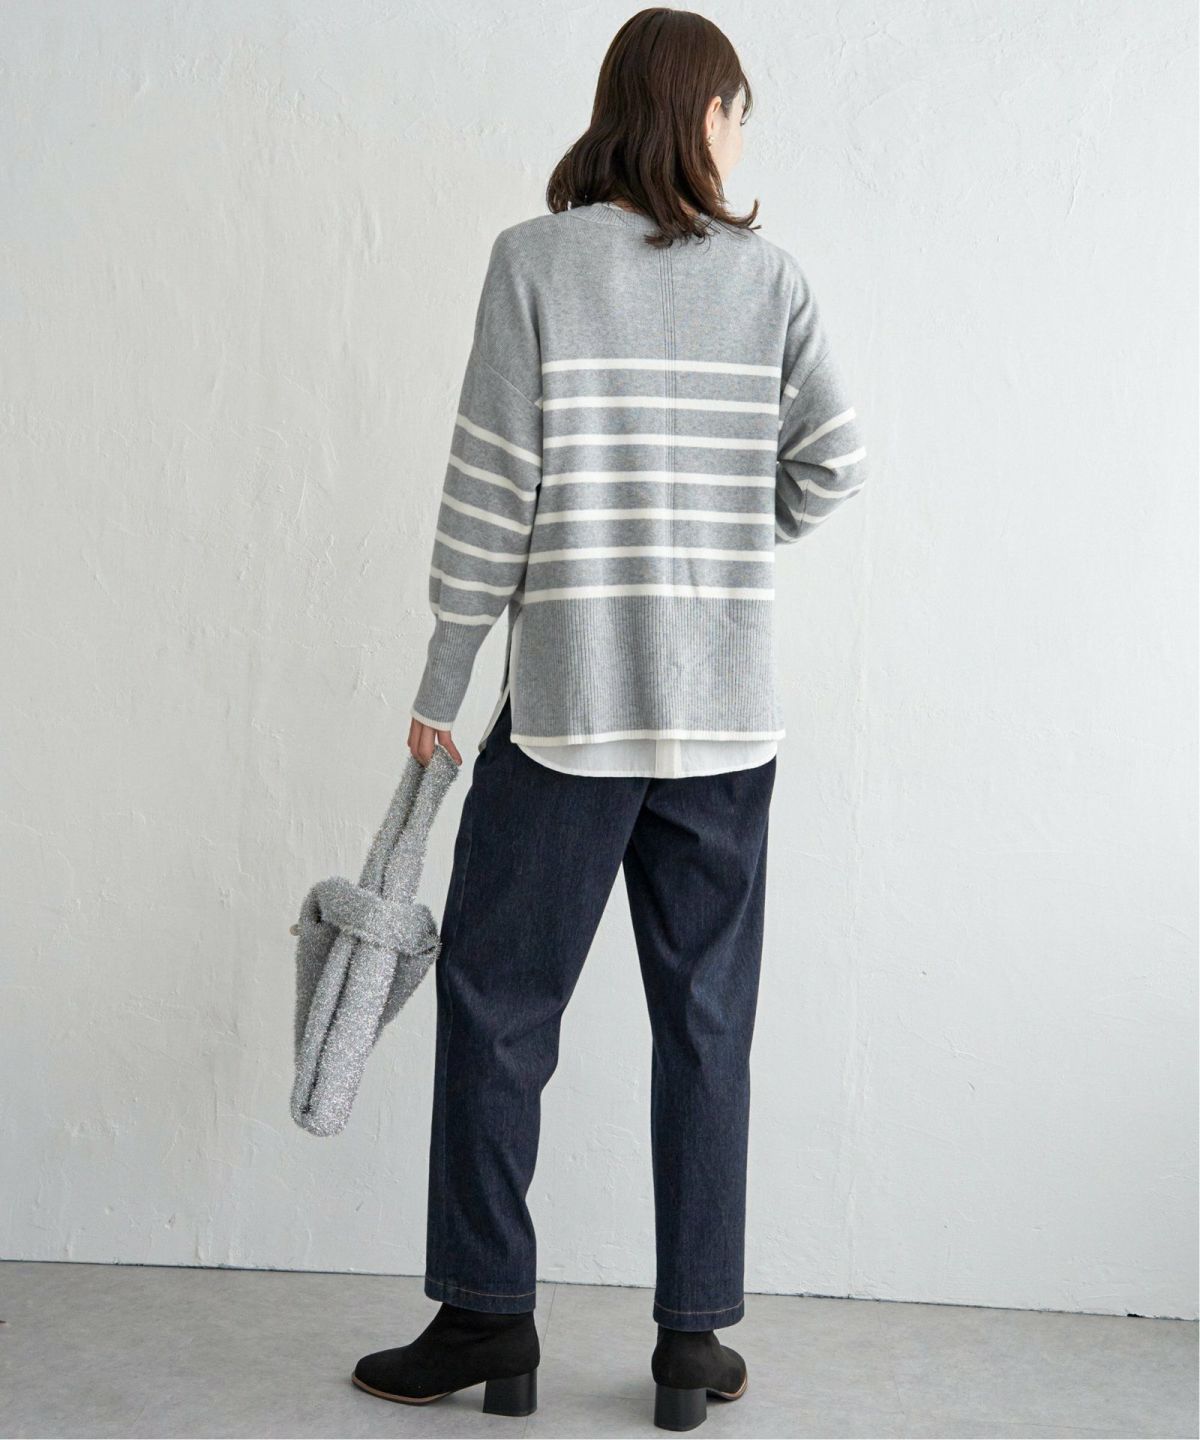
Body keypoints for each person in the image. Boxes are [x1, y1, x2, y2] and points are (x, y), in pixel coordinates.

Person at [351, 6, 868, 1430]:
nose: (740, 138)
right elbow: (836, 459)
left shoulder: (534, 262)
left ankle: (488, 1318)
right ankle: (692, 1344)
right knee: (707, 1028)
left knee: (498, 1008)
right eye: (736, 112)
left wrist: (443, 684)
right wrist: (730, 530)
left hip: (570, 720)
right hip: (725, 728)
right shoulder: (771, 281)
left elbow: (488, 490)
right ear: (701, 114)